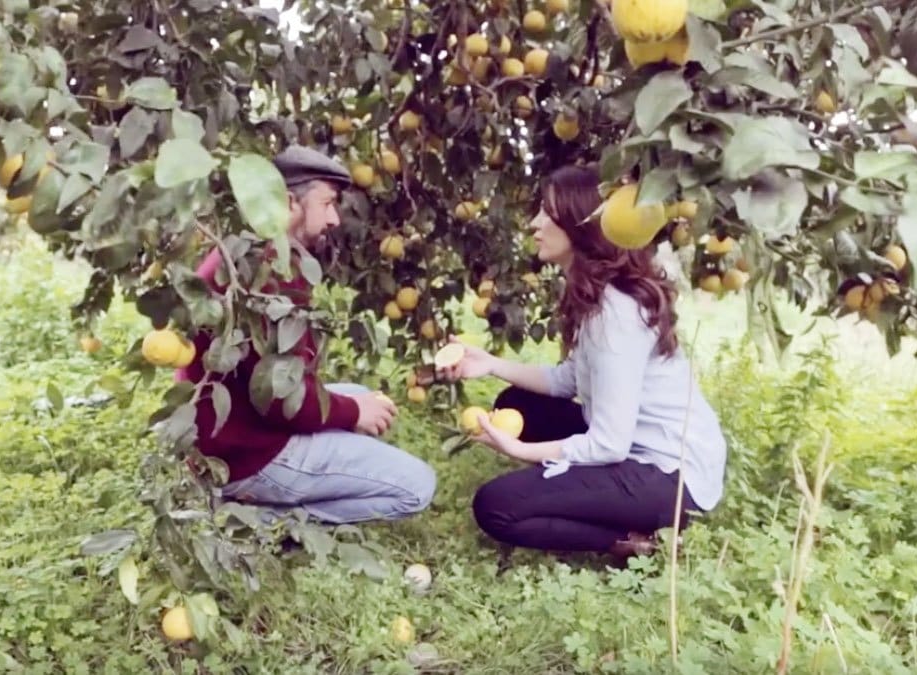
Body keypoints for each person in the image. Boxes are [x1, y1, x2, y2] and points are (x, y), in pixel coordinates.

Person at [439, 165, 727, 558]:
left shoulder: (615, 315)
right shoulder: (596, 295)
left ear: (581, 228)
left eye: (548, 214)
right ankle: (587, 496)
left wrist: (519, 451)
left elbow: (608, 444)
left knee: (497, 507)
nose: (535, 224)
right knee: (516, 405)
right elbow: (568, 380)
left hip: (671, 477)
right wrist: (489, 363)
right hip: (633, 446)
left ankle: (639, 543)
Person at [179, 145, 436, 525]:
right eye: (327, 203)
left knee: (362, 399)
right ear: (288, 202)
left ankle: (253, 499)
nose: (334, 219)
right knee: (417, 486)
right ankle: (264, 520)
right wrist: (350, 415)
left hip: (229, 432)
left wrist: (353, 410)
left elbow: (278, 382)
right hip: (246, 453)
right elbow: (287, 401)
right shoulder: (269, 273)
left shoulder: (245, 253)